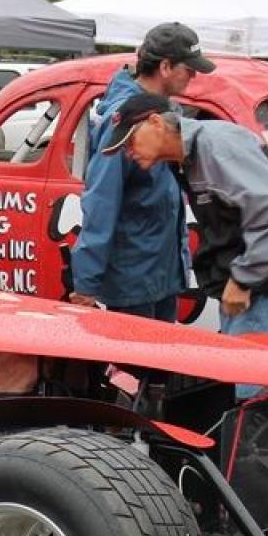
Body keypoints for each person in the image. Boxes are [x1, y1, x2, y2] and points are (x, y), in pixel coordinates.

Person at [101, 93, 268, 367]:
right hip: (253, 277)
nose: (128, 152)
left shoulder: (217, 147)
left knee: (251, 378)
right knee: (237, 373)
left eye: (130, 140)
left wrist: (244, 279)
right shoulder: (189, 155)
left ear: (156, 122)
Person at [69, 22, 215, 321]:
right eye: (189, 69)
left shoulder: (164, 111)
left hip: (160, 272)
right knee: (132, 353)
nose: (194, 76)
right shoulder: (128, 119)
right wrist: (86, 283)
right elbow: (101, 200)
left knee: (161, 351)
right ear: (165, 67)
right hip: (134, 277)